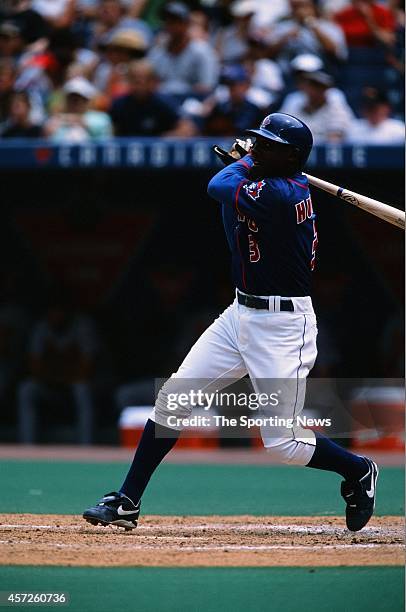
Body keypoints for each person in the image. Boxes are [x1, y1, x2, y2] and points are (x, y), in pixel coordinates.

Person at [83, 112, 379, 534]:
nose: (256, 147)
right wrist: (250, 161)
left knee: (283, 442)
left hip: (283, 327)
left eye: (267, 144)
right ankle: (127, 500)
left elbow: (217, 185)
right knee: (173, 400)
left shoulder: (282, 191)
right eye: (256, 141)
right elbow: (229, 209)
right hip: (239, 313)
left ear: (291, 156)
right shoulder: (271, 180)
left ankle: (358, 470)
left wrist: (241, 163)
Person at [147, 1, 219, 97]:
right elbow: (148, 83)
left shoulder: (202, 51)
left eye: (175, 21)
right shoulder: (157, 51)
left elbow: (207, 87)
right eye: (166, 20)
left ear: (186, 24)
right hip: (161, 103)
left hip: (191, 103)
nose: (169, 25)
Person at [109, 59, 196, 137]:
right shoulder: (119, 104)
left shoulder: (164, 102)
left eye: (142, 80)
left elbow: (188, 128)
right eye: (134, 80)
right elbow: (110, 132)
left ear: (152, 82)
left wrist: (167, 138)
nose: (138, 85)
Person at [279, 70, 354, 142]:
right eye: (311, 85)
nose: (314, 90)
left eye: (319, 86)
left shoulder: (336, 105)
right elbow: (282, 129)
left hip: (322, 152)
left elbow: (335, 139)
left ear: (326, 89)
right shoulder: (295, 102)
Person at [44, 76, 112, 141]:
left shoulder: (101, 118)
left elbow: (93, 125)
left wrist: (65, 119)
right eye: (70, 98)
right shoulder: (54, 120)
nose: (73, 103)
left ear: (87, 101)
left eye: (78, 99)